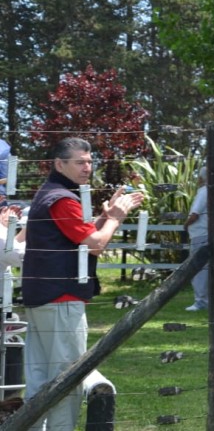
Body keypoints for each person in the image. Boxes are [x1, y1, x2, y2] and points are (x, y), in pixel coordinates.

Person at [22, 137, 144, 430]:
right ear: (59, 164)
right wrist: (116, 217)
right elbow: (95, 245)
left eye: (90, 161)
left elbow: (78, 237)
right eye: (80, 162)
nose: (87, 167)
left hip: (41, 298)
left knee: (39, 378)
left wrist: (105, 215)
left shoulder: (50, 192)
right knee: (68, 379)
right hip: (61, 299)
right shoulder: (62, 198)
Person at [183, 166, 208, 312]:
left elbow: (195, 214)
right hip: (205, 234)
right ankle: (206, 300)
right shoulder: (211, 192)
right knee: (206, 270)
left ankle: (201, 302)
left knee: (198, 270)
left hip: (200, 235)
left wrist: (185, 225)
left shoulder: (203, 192)